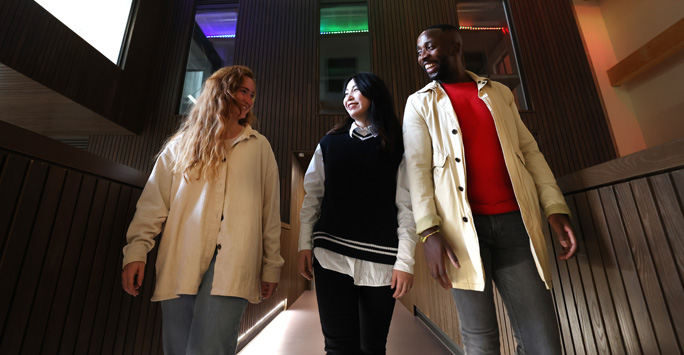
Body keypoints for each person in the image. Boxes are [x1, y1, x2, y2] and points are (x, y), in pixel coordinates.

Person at [403, 24, 579, 354]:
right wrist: (428, 232)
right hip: (461, 234)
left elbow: (529, 153)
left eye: (429, 47)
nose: (422, 56)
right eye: (419, 51)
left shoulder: (499, 93)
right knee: (480, 339)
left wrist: (554, 207)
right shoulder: (419, 104)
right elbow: (417, 171)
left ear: (455, 47)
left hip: (516, 226)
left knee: (541, 336)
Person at [121, 65, 283, 355]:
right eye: (242, 91)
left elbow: (269, 214)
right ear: (222, 93)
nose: (249, 99)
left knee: (210, 348)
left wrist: (272, 265)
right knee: (178, 346)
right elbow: (153, 204)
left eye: (253, 94)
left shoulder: (260, 148)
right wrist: (136, 252)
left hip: (235, 263)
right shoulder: (180, 146)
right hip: (181, 258)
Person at [298, 72, 417, 355]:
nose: (348, 97)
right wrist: (304, 244)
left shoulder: (399, 146)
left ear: (374, 95)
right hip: (331, 256)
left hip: (382, 261)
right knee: (338, 347)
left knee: (374, 347)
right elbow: (312, 198)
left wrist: (406, 261)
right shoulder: (329, 143)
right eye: (345, 92)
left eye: (355, 90)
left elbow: (407, 207)